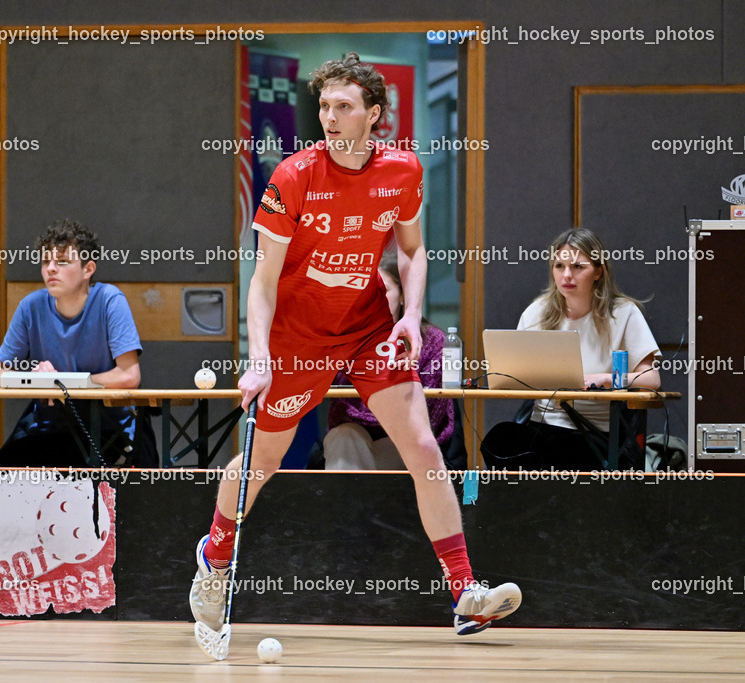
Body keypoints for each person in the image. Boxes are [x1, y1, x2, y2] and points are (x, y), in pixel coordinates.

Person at [189, 53, 520, 646]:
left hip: (368, 327)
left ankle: (465, 593)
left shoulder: (403, 171)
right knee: (263, 462)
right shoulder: (293, 176)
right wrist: (260, 358)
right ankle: (214, 560)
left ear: (375, 114)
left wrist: (412, 315)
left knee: (423, 447)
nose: (330, 117)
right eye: (324, 106)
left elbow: (412, 251)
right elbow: (262, 281)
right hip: (298, 337)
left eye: (344, 106)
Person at [480, 228, 662, 471]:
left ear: (598, 271)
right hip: (543, 428)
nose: (567, 275)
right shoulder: (536, 313)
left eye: (577, 267)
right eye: (559, 266)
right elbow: (514, 378)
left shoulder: (623, 313)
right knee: (498, 440)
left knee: (561, 458)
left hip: (594, 434)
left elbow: (651, 379)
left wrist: (606, 379)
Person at [0, 219, 156, 467]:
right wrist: (36, 379)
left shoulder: (110, 300)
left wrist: (60, 382)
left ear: (88, 269)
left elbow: (129, 376)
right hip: (49, 429)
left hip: (106, 433)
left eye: (62, 261)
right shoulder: (30, 306)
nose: (51, 269)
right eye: (46, 262)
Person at [324, 251, 458, 469]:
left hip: (408, 442)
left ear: (403, 295)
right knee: (344, 436)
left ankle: (351, 491)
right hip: (354, 439)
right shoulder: (344, 339)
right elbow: (336, 404)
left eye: (383, 291)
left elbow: (430, 414)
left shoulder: (431, 341)